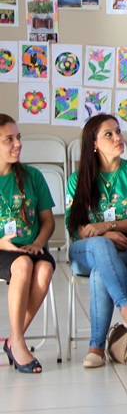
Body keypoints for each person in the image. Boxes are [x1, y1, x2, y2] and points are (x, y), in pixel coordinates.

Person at [67, 114, 127, 369]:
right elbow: (75, 228)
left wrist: (108, 225)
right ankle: (126, 309)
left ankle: (96, 348)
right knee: (101, 246)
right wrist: (105, 235)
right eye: (109, 134)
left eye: (118, 131)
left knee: (99, 275)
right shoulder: (78, 179)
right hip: (85, 251)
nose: (118, 138)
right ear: (93, 143)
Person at [0, 115, 56, 374]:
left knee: (43, 269)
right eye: (9, 139)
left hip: (30, 247)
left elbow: (47, 221)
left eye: (18, 137)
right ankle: (19, 342)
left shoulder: (33, 176)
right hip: (4, 251)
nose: (17, 144)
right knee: (22, 265)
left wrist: (39, 243)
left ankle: (14, 339)